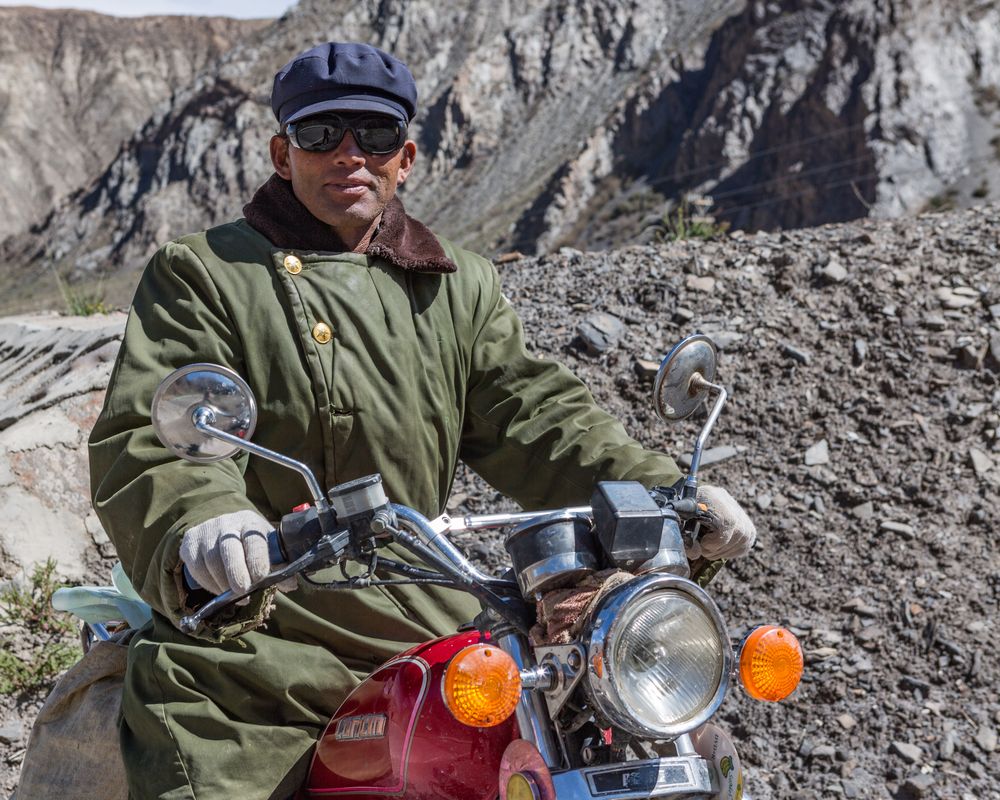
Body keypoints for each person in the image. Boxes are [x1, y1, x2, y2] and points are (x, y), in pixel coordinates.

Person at [89, 41, 756, 800]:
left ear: (406, 157)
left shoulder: (456, 286)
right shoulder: (204, 273)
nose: (349, 155)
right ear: (283, 153)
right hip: (260, 641)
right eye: (320, 135)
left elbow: (536, 414)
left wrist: (667, 492)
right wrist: (207, 521)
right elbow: (153, 433)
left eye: (373, 137)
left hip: (433, 616)